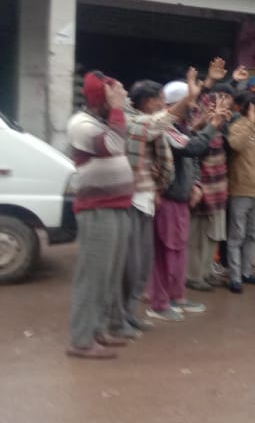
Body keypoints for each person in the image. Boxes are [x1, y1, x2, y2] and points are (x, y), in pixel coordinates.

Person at [65, 71, 136, 359]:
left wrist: (117, 108)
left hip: (116, 205)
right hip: (97, 209)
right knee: (93, 276)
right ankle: (81, 341)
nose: (120, 99)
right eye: (114, 95)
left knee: (109, 276)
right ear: (100, 99)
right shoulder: (81, 124)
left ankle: (98, 329)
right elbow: (113, 145)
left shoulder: (103, 121)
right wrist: (117, 109)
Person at [146, 78, 225, 321]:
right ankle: (160, 302)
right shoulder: (164, 126)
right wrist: (211, 126)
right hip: (167, 197)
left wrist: (196, 184)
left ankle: (177, 296)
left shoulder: (181, 126)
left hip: (180, 197)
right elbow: (191, 148)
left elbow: (194, 156)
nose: (194, 107)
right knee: (165, 252)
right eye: (191, 102)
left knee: (179, 250)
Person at [120, 79, 179, 333]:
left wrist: (156, 187)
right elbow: (156, 125)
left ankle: (130, 313)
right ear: (146, 101)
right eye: (159, 99)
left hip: (147, 199)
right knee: (130, 265)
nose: (163, 104)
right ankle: (120, 317)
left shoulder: (151, 125)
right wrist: (190, 98)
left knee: (143, 263)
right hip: (131, 200)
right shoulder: (131, 122)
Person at [186, 84, 232, 292]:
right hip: (203, 191)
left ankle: (206, 272)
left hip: (219, 190)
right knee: (197, 237)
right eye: (213, 106)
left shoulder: (221, 129)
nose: (218, 110)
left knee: (213, 236)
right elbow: (195, 155)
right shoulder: (196, 130)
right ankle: (194, 276)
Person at [225, 95, 255, 293]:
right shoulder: (238, 126)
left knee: (252, 235)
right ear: (251, 110)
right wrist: (250, 123)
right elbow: (236, 145)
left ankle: (246, 272)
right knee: (237, 235)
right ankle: (235, 277)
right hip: (240, 190)